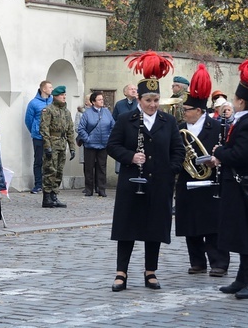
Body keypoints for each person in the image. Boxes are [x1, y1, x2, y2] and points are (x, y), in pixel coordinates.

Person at [106, 50, 184, 292]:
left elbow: (178, 150)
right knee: (126, 228)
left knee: (154, 229)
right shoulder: (126, 119)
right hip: (132, 180)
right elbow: (112, 145)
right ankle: (121, 272)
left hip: (159, 182)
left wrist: (170, 171)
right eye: (148, 100)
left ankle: (150, 271)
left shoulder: (168, 121)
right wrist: (130, 156)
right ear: (139, 99)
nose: (152, 104)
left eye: (155, 100)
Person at [206, 58, 248, 299]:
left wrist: (219, 152)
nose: (233, 102)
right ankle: (242, 279)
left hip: (244, 187)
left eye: (235, 98)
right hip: (239, 186)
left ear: (242, 101)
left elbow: (241, 155)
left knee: (246, 236)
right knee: (240, 233)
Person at [175, 64, 230, 277]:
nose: (184, 113)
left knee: (213, 225)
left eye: (187, 110)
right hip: (187, 181)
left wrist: (217, 160)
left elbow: (227, 151)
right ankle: (197, 261)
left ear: (198, 111)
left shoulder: (217, 128)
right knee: (191, 224)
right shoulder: (179, 128)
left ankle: (219, 263)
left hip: (211, 183)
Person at [39, 86, 75, 208]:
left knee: (59, 171)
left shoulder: (67, 112)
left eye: (65, 95)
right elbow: (44, 129)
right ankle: (47, 197)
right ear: (55, 96)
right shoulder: (48, 110)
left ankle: (54, 195)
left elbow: (70, 130)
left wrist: (72, 147)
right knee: (50, 170)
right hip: (52, 143)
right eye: (61, 95)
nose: (64, 97)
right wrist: (47, 146)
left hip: (62, 143)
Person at [78, 91, 115, 197]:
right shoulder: (87, 113)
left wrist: (109, 137)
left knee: (102, 167)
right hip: (90, 145)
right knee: (89, 167)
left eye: (102, 99)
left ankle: (101, 188)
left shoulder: (107, 112)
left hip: (103, 144)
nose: (102, 101)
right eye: (99, 99)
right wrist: (87, 139)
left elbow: (113, 126)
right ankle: (89, 189)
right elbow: (81, 128)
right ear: (93, 102)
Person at [25, 80, 53, 194]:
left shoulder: (53, 102)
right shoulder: (34, 103)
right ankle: (38, 184)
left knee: (50, 161)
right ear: (43, 89)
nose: (52, 89)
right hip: (38, 137)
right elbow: (28, 120)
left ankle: (49, 184)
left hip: (51, 137)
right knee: (38, 161)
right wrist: (36, 130)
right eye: (50, 87)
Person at [112, 84, 139, 175]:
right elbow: (114, 119)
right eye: (131, 89)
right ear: (125, 92)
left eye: (135, 89)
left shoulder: (140, 103)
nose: (134, 91)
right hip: (123, 136)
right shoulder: (119, 104)